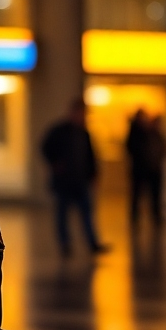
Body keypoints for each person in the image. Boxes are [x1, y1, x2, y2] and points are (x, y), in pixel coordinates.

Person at [42, 99, 107, 255]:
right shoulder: (59, 131)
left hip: (81, 181)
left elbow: (90, 156)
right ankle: (65, 244)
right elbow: (45, 147)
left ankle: (92, 243)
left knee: (87, 214)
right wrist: (55, 163)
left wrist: (93, 174)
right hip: (64, 182)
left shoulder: (84, 133)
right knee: (62, 215)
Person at [126, 109, 164, 227]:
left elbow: (160, 149)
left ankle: (155, 217)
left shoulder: (154, 134)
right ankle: (135, 218)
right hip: (140, 169)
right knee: (137, 195)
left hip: (154, 169)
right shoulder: (137, 133)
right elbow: (132, 148)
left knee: (154, 196)